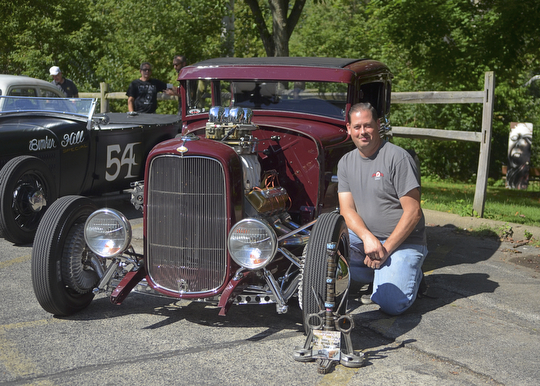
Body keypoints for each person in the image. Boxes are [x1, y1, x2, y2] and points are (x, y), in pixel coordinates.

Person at [337, 102, 427, 316]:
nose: (362, 132)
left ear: (378, 125)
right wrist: (367, 237)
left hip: (402, 242)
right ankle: (381, 274)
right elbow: (347, 210)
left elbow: (413, 212)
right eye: (357, 127)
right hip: (366, 240)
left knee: (391, 303)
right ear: (348, 129)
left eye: (367, 126)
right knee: (326, 256)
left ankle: (409, 275)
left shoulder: (398, 157)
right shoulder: (345, 163)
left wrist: (385, 250)